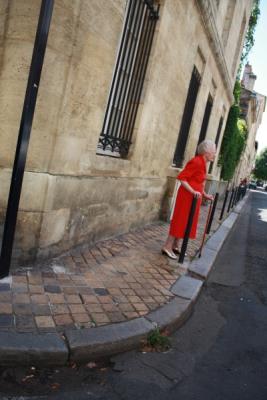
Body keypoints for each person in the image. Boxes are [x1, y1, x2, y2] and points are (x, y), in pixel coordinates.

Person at [162, 139, 216, 259]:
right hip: (187, 196)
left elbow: (198, 182)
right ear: (206, 152)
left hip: (194, 197)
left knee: (187, 222)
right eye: (213, 151)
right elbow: (181, 178)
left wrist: (205, 195)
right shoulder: (196, 161)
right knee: (180, 220)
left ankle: (176, 245)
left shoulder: (203, 163)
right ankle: (167, 246)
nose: (215, 154)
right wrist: (193, 191)